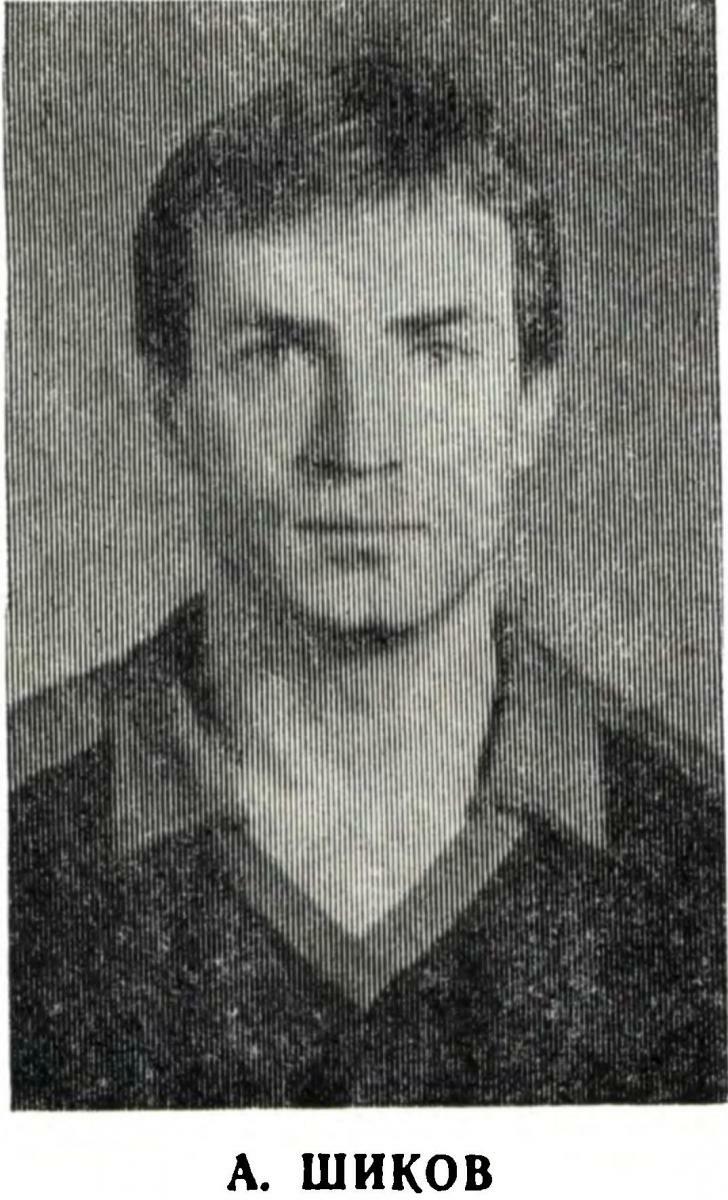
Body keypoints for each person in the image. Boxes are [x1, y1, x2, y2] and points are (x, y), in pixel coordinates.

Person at [10, 51, 726, 1108]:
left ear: (534, 402)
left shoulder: (702, 857)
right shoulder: (18, 829)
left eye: (434, 351)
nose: (357, 446)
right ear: (172, 411)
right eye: (276, 355)